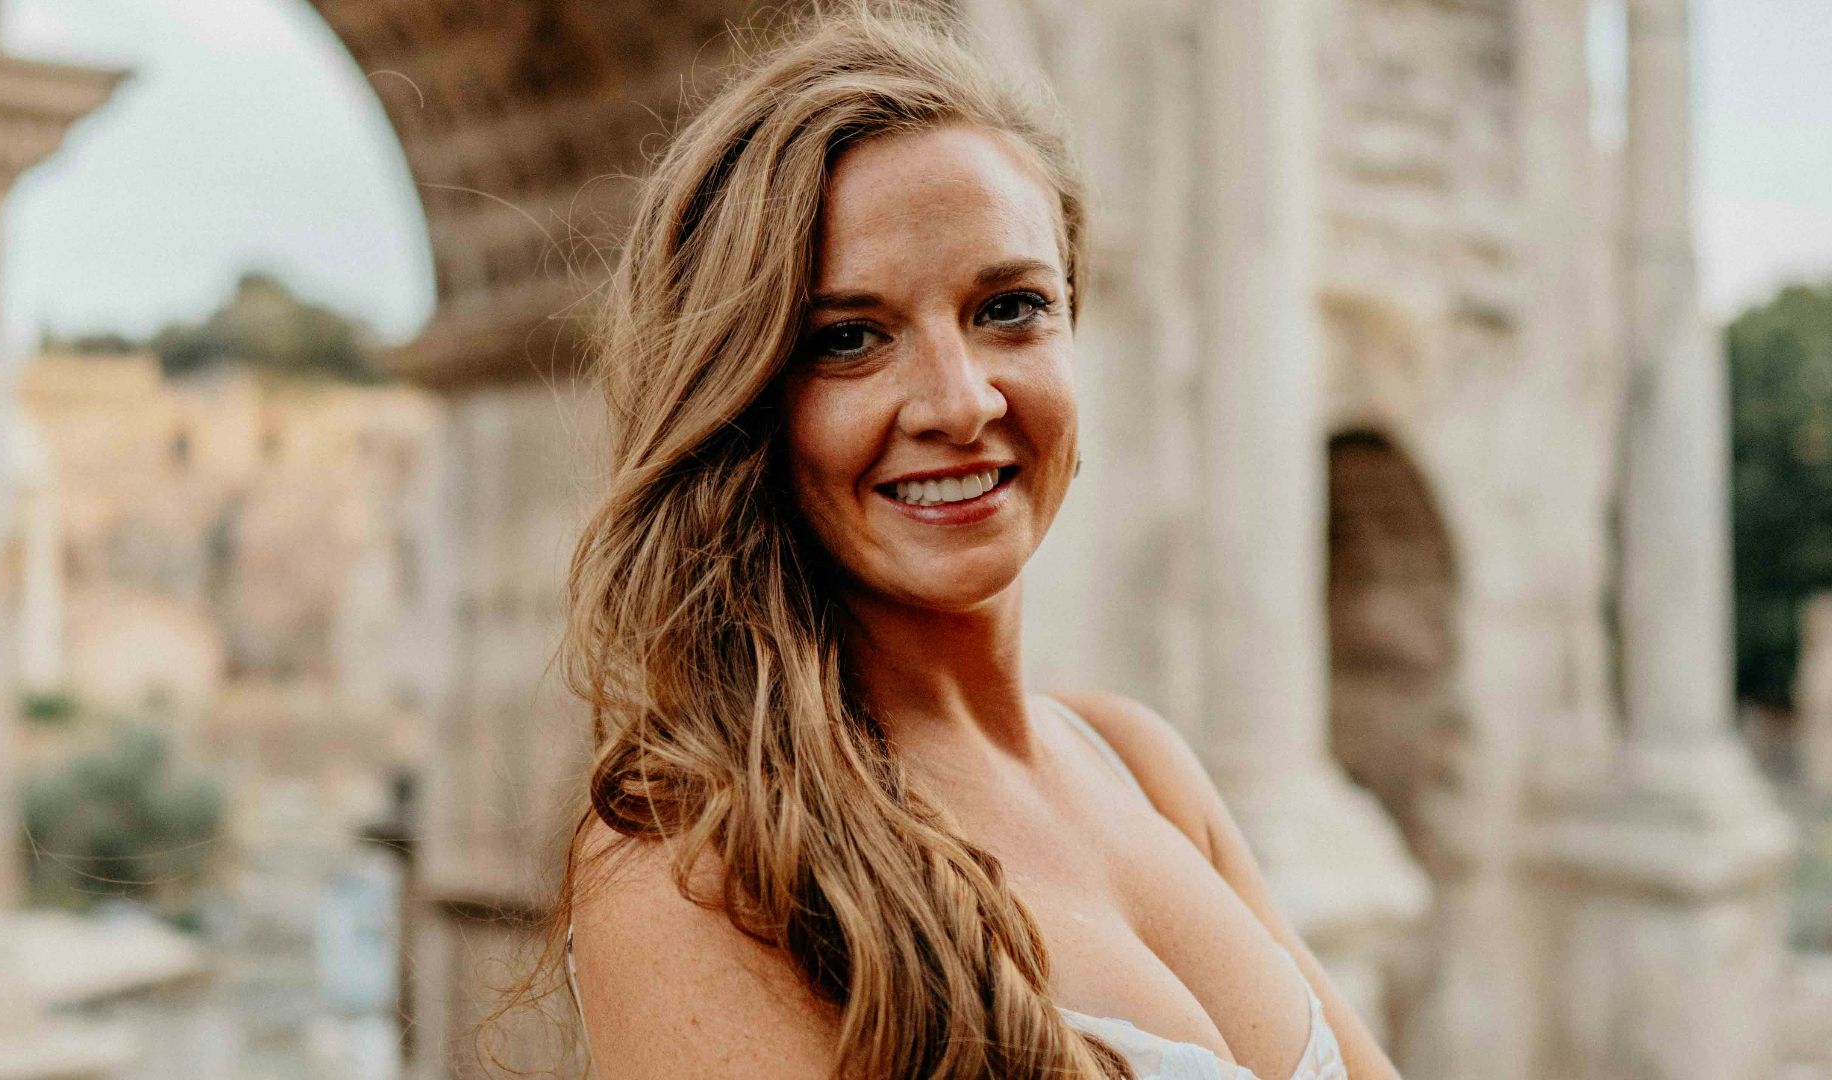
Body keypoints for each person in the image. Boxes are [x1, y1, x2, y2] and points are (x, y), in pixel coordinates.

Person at [546, 4, 1401, 1078]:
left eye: (1011, 308)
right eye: (850, 339)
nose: (958, 401)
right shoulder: (690, 859)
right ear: (745, 400)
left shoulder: (1140, 764)